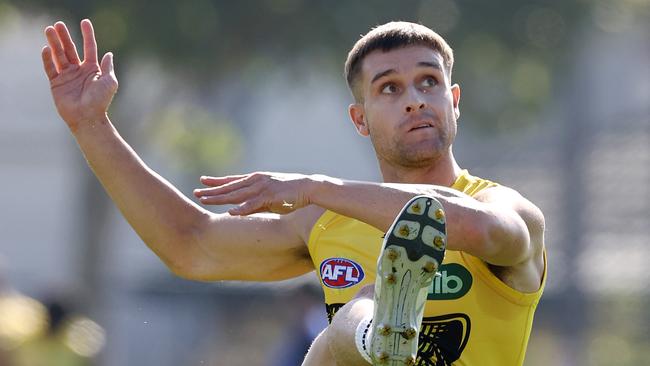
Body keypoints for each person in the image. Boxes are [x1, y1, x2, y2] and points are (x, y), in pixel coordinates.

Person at [41, 19, 546, 365]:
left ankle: (373, 327)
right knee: (350, 318)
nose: (414, 100)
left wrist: (313, 186)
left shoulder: (504, 205)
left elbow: (475, 227)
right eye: (389, 88)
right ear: (360, 119)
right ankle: (378, 333)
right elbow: (189, 243)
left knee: (352, 311)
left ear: (453, 101)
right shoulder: (326, 222)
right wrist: (91, 125)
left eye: (429, 82)